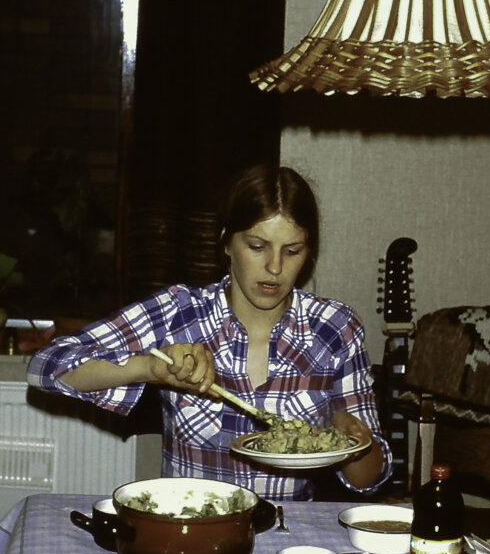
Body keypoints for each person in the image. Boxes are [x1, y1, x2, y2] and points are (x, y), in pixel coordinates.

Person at [27, 164, 392, 500]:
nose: (275, 267)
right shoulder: (179, 313)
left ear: (308, 254)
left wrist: (354, 442)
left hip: (287, 541)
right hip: (191, 530)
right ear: (226, 243)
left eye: (292, 251)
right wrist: (148, 369)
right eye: (257, 246)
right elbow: (46, 367)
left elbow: (369, 478)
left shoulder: (334, 327)